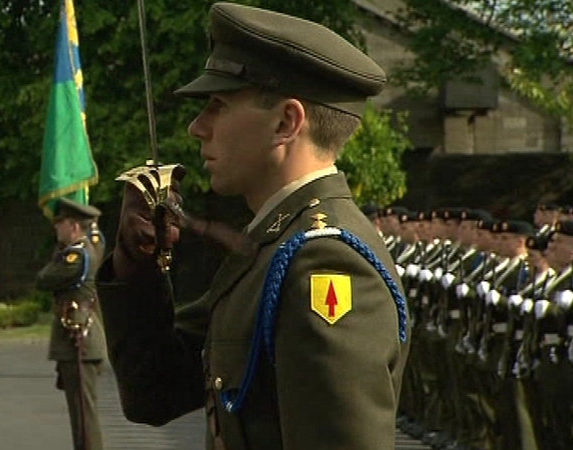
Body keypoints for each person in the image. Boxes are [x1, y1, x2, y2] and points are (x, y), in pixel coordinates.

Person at [96, 3, 410, 449]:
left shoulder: (324, 262)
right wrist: (136, 263)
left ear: (286, 122)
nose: (196, 127)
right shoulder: (274, 249)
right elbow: (154, 391)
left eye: (218, 105)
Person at [36, 197, 106, 450]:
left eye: (60, 223)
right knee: (81, 415)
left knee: (84, 418)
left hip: (79, 340)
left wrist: (59, 253)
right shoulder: (87, 249)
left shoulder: (75, 258)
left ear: (74, 226)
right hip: (79, 337)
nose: (56, 228)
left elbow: (44, 279)